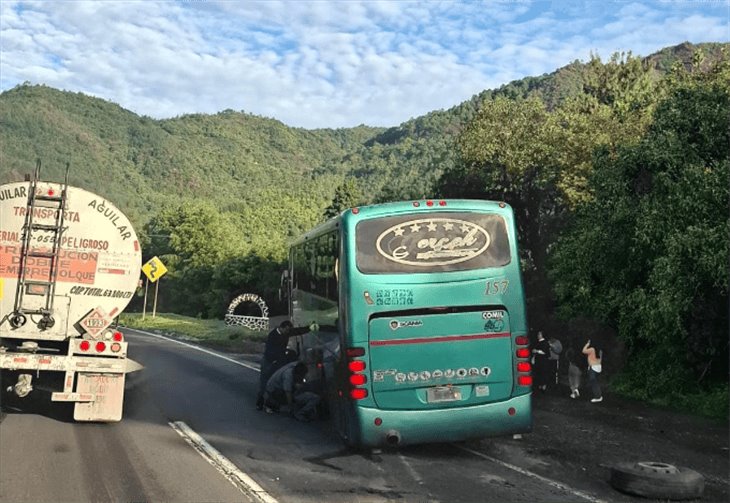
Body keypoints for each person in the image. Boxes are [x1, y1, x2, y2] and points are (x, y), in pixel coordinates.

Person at [256, 320, 315, 410]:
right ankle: (260, 402)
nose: (288, 332)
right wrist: (284, 353)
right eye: (287, 330)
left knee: (275, 380)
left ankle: (273, 402)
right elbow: (271, 351)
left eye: (289, 330)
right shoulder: (273, 335)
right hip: (268, 361)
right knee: (264, 382)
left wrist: (308, 328)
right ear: (282, 328)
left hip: (278, 360)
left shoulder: (286, 333)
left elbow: (297, 331)